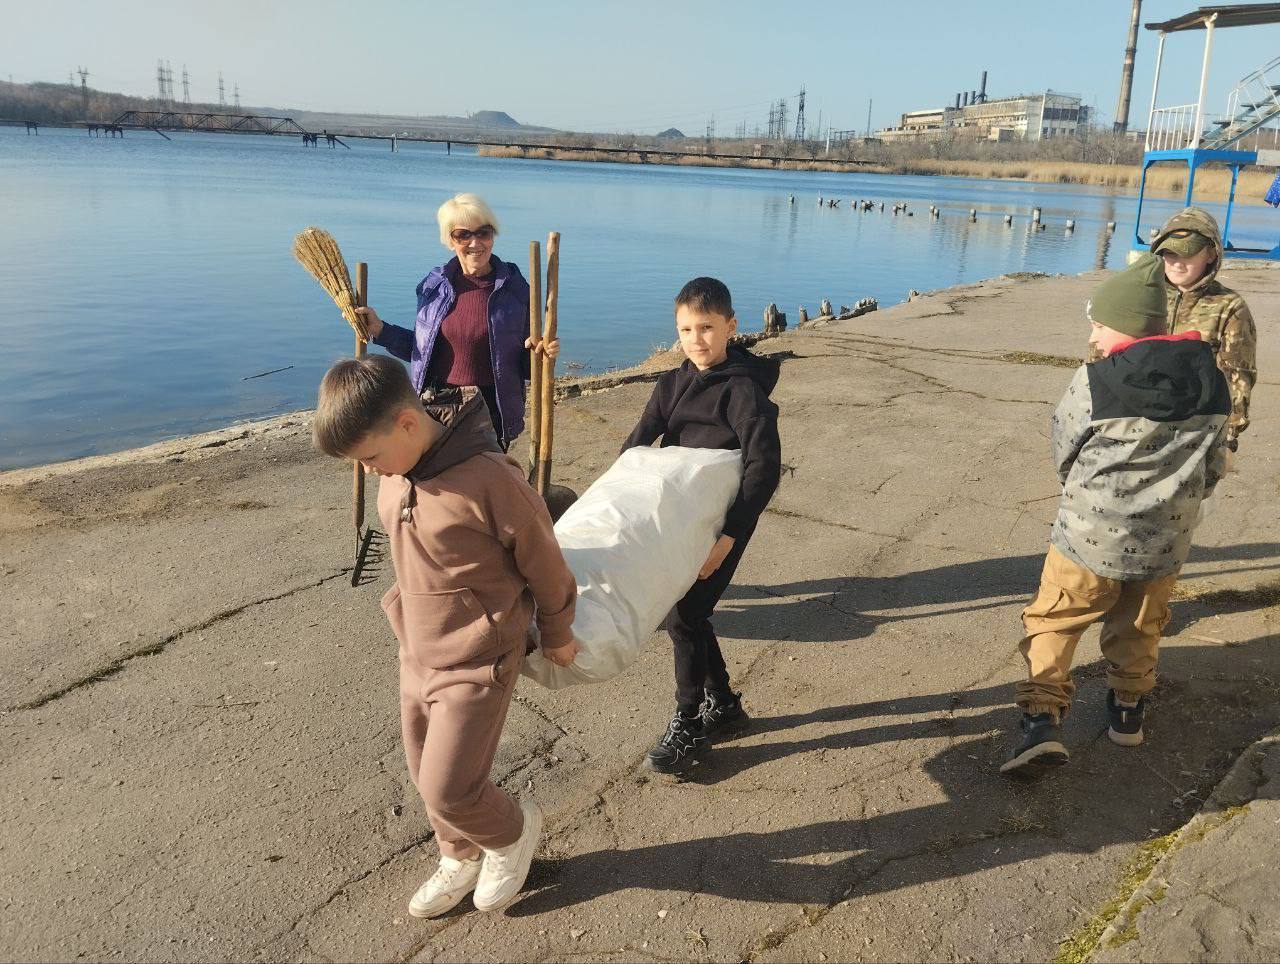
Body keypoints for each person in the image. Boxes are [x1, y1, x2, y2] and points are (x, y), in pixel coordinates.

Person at [312, 354, 579, 918]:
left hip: (479, 657)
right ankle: (459, 854)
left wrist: (556, 630)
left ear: (408, 423)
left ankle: (510, 832)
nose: (368, 472)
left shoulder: (489, 478)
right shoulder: (399, 468)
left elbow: (545, 561)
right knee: (422, 769)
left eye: (370, 458)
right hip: (418, 649)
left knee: (450, 786)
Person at [1002, 255, 1231, 779]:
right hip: (1165, 542)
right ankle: (1127, 714)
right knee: (1140, 625)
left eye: (1100, 323)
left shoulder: (1096, 382)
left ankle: (1041, 721)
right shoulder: (1210, 384)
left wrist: (1081, 494)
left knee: (1056, 619)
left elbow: (1066, 446)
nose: (1093, 333)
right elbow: (1215, 464)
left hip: (1087, 538)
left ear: (1127, 327)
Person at [621, 277, 782, 774]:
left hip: (724, 522)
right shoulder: (670, 385)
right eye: (686, 329)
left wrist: (728, 537)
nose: (697, 340)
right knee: (687, 613)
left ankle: (689, 720)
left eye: (707, 328)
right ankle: (726, 706)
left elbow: (763, 469)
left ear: (731, 327)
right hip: (676, 517)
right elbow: (633, 451)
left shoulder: (744, 392)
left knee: (685, 616)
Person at [356, 193, 558, 450]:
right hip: (437, 404)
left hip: (490, 410)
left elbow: (526, 366)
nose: (475, 243)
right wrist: (380, 330)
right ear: (450, 241)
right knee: (436, 485)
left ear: (493, 236)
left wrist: (542, 354)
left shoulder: (515, 289)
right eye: (463, 234)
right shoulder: (435, 286)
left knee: (481, 485)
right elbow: (423, 350)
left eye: (484, 233)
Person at [1089, 207, 1257, 457]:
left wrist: (1228, 435)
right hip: (1131, 424)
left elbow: (1237, 376)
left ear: (1211, 254)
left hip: (1194, 431)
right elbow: (1101, 354)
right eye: (1169, 253)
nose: (1178, 263)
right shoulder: (1139, 296)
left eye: (1188, 255)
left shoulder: (1229, 307)